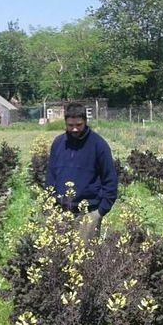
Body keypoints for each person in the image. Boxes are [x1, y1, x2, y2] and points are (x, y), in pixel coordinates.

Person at [45, 103, 118, 240]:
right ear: (65, 123)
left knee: (85, 257)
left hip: (88, 213)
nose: (74, 129)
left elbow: (110, 180)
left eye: (78, 125)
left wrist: (100, 211)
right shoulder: (58, 143)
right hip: (60, 211)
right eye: (70, 125)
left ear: (85, 121)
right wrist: (49, 203)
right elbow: (50, 175)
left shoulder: (98, 144)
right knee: (60, 257)